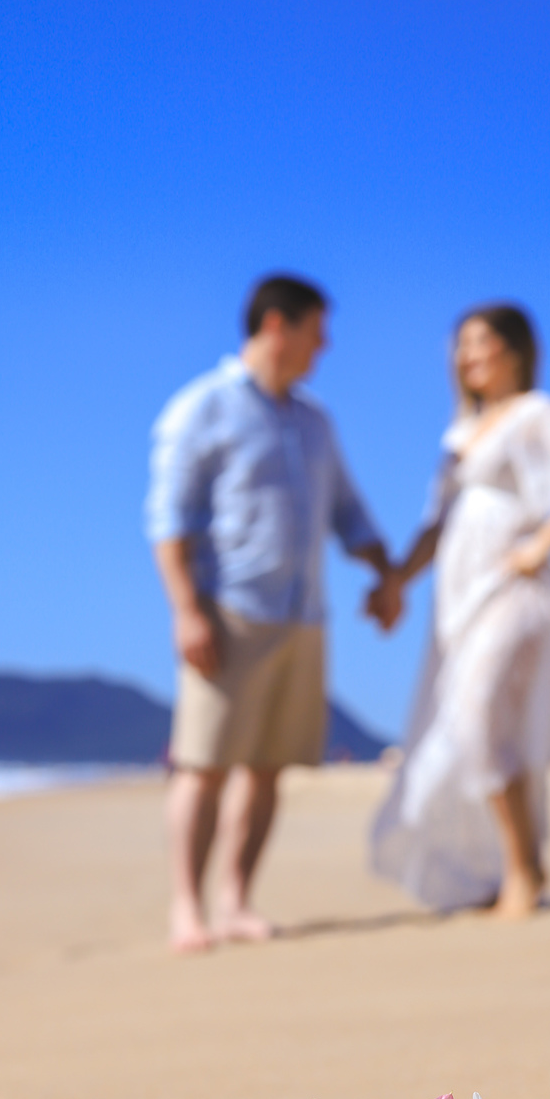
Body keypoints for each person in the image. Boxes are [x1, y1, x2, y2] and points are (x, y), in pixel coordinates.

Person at [146, 274, 393, 950]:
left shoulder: (315, 422)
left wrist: (385, 573)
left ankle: (236, 901)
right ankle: (186, 909)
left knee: (269, 766)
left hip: (303, 613)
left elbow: (349, 511)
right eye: (319, 330)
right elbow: (169, 520)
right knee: (204, 762)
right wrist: (185, 611)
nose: (326, 345)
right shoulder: (203, 408)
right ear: (278, 325)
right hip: (229, 610)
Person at [368, 304, 550, 918]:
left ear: (516, 349)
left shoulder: (537, 413)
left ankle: (524, 870)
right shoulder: (456, 438)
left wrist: (542, 543)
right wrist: (395, 578)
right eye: (461, 345)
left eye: (483, 342)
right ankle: (515, 867)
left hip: (515, 591)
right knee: (473, 724)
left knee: (480, 719)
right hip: (460, 598)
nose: (470, 355)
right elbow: (436, 525)